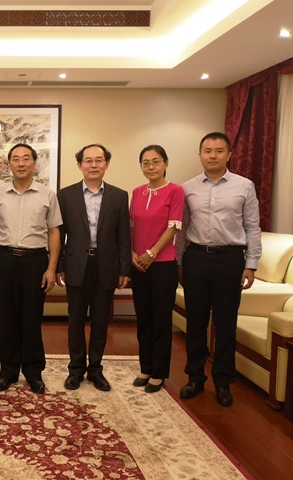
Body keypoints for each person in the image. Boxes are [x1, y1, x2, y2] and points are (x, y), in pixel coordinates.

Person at [176, 132, 261, 407]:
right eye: (207, 150)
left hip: (230, 260)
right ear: (200, 154)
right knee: (195, 322)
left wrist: (251, 264)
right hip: (196, 258)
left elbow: (252, 227)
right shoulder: (187, 188)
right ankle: (195, 376)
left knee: (226, 323)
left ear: (229, 154)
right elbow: (182, 229)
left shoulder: (244, 186)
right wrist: (179, 261)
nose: (213, 155)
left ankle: (223, 381)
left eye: (219, 151)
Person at [0, 144, 62, 394]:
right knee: (7, 319)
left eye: (26, 158)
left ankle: (33, 372)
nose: (20, 163)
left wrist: (51, 268)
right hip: (5, 259)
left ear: (34, 164)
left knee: (32, 318)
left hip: (35, 261)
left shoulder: (47, 195)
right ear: (9, 164)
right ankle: (7, 372)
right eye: (15, 159)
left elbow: (54, 231)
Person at [56, 144, 131, 392]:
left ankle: (96, 369)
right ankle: (76, 369)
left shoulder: (119, 196)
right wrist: (58, 266)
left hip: (106, 264)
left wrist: (124, 269)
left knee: (100, 321)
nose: (93, 165)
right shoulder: (65, 195)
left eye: (99, 160)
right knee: (75, 320)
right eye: (88, 161)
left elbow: (123, 236)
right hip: (76, 264)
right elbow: (59, 234)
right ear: (80, 165)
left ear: (106, 164)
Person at [129, 145, 184, 393]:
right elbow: (131, 226)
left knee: (161, 320)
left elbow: (173, 227)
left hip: (163, 264)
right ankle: (146, 367)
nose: (151, 167)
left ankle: (159, 373)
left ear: (165, 163)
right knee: (143, 318)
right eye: (146, 163)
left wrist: (151, 253)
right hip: (138, 265)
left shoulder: (175, 191)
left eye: (156, 161)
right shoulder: (137, 192)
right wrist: (132, 253)